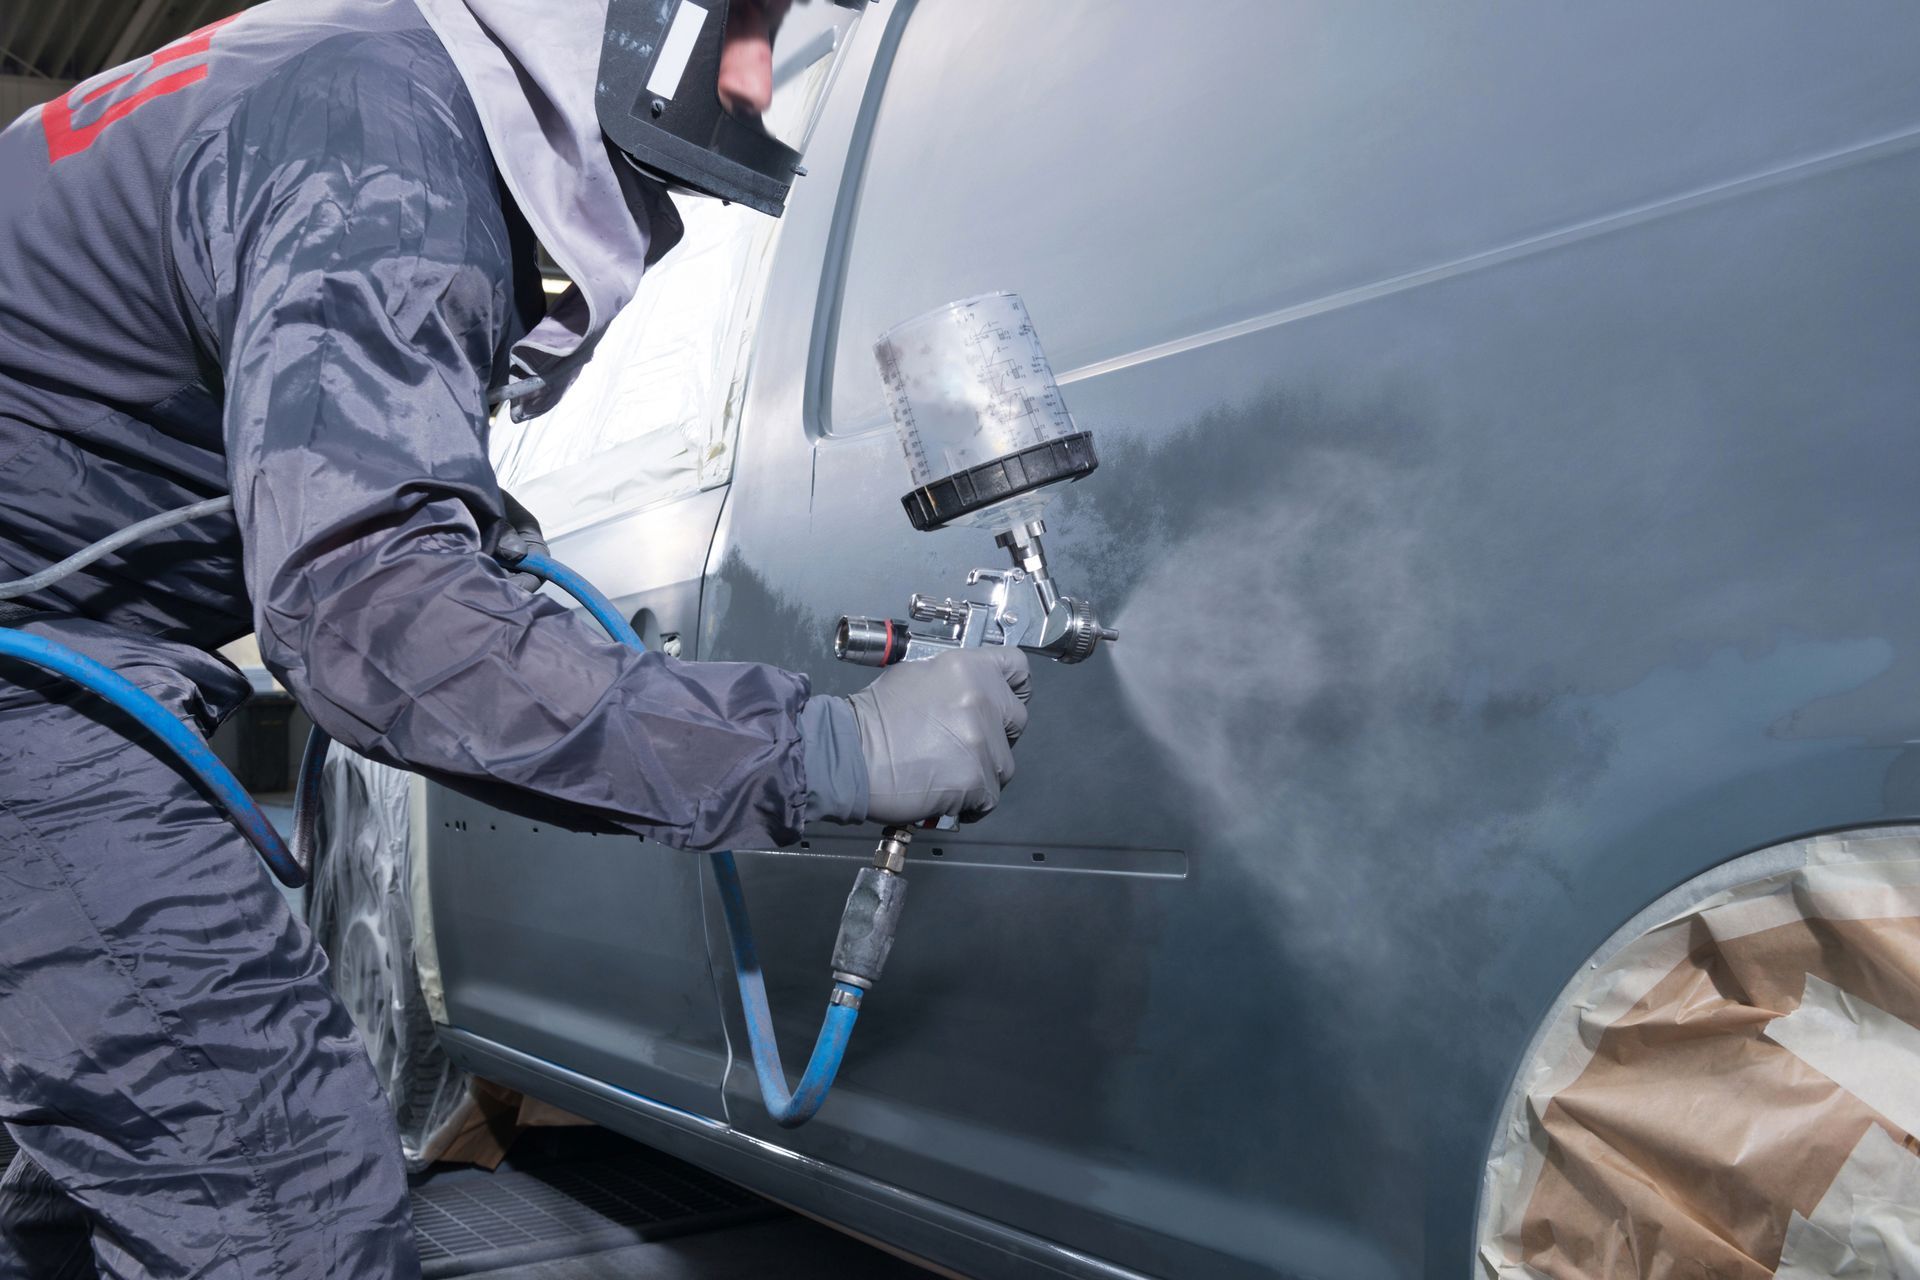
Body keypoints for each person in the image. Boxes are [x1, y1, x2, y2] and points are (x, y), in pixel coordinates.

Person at [0, 1, 1032, 1275]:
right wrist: (824, 745)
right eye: (750, 16)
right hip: (25, 688)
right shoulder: (380, 140)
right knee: (279, 1199)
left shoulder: (352, 69)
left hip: (56, 657)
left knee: (111, 1145)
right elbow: (368, 610)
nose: (757, 70)